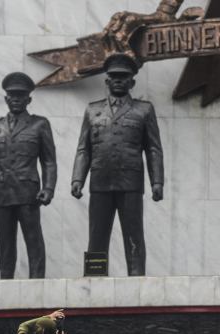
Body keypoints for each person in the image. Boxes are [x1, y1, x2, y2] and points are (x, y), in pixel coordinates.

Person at [71, 52, 164, 276]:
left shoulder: (144, 110)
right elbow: (84, 148)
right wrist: (77, 179)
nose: (119, 80)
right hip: (100, 180)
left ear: (132, 82)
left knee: (134, 236)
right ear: (107, 81)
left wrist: (157, 182)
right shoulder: (93, 110)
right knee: (97, 235)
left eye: (124, 77)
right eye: (114, 77)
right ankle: (94, 279)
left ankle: (136, 280)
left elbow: (153, 149)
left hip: (130, 181)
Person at [0, 72, 57, 279]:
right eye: (12, 95)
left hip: (28, 193)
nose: (17, 99)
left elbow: (48, 161)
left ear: (29, 99)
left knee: (33, 240)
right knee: (4, 243)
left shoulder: (40, 124)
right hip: (2, 192)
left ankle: (37, 281)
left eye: (21, 95)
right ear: (6, 99)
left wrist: (48, 189)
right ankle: (6, 282)